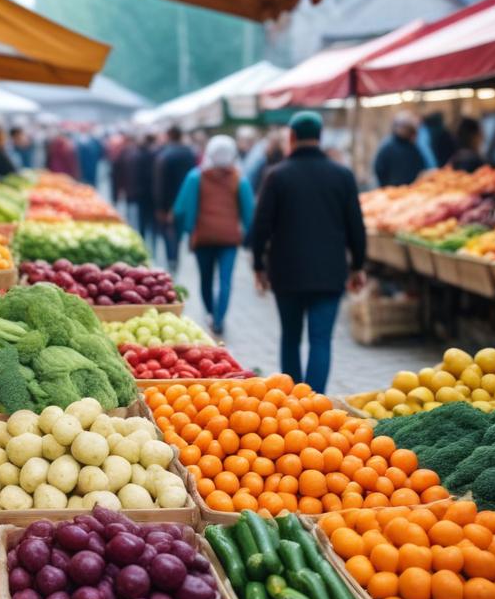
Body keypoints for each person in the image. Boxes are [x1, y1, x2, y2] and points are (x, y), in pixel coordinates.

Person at [250, 111, 366, 393]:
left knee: (290, 337)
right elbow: (356, 225)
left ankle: (292, 400)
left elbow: (261, 226)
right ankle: (314, 403)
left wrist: (258, 266)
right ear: (320, 137)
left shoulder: (276, 176)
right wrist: (358, 266)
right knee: (321, 340)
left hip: (286, 272)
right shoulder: (342, 175)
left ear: (291, 137)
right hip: (329, 272)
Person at [172, 135, 254, 335]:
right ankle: (219, 319)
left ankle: (210, 312)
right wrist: (248, 238)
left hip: (203, 237)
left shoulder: (196, 177)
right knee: (225, 280)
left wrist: (187, 231)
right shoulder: (239, 179)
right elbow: (249, 213)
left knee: (206, 278)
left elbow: (180, 209)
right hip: (229, 239)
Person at [153, 125, 196, 272]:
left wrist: (160, 206)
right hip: (186, 201)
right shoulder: (190, 154)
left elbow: (161, 183)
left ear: (169, 136)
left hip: (168, 201)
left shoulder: (165, 155)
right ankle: (175, 256)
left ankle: (171, 258)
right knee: (178, 232)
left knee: (168, 232)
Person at [373, 111, 429, 187]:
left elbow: (421, 167)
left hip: (411, 189)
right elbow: (379, 168)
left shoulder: (412, 147)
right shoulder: (387, 146)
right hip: (392, 190)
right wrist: (386, 185)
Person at [133, 133, 159, 254]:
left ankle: (143, 246)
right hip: (153, 193)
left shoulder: (140, 155)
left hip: (141, 193)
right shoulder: (158, 155)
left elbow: (135, 175)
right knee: (152, 222)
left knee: (142, 221)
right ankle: (153, 247)